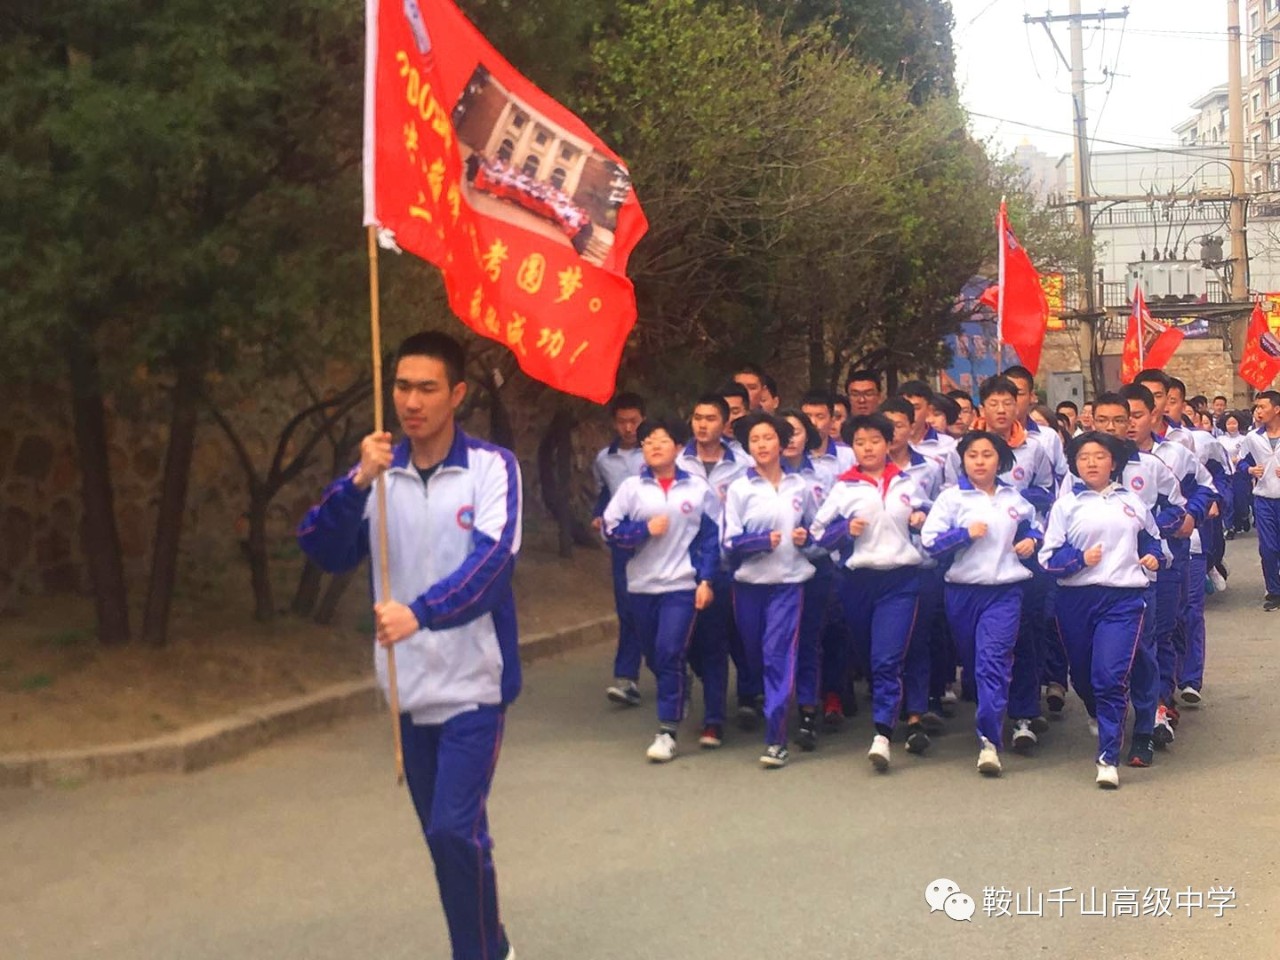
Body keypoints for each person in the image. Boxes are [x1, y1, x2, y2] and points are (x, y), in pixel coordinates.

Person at [297, 331, 521, 960]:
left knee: (454, 830)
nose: (412, 402)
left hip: (474, 685)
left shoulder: (492, 468)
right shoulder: (379, 472)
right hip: (407, 688)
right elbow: (321, 547)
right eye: (402, 387)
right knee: (446, 840)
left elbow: (493, 567)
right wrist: (356, 483)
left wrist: (420, 614)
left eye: (427, 388)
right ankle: (490, 944)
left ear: (457, 394)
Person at [1040, 431, 1166, 790]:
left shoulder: (1132, 501)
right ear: (1075, 465)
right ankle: (1098, 712)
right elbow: (1048, 558)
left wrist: (1152, 557)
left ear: (1113, 462)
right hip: (1076, 599)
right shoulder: (1066, 505)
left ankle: (1108, 757)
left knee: (1110, 677)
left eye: (1099, 456)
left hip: (1123, 599)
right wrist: (1080, 559)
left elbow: (1152, 540)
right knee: (1083, 676)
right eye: (1083, 457)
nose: (1091, 463)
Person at [810, 413, 928, 772]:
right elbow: (818, 533)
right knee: (869, 654)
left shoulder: (906, 482)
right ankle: (897, 706)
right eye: (860, 443)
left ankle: (882, 734)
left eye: (875, 441)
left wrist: (920, 517)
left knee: (886, 658)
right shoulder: (844, 487)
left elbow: (927, 513)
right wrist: (845, 530)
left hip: (901, 580)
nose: (868, 448)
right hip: (857, 582)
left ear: (888, 443)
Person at [920, 431, 1040, 776]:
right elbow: (930, 543)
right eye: (972, 455)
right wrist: (964, 534)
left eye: (987, 455)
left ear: (1000, 460)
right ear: (963, 460)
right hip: (962, 592)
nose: (980, 461)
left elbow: (1034, 527)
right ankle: (995, 713)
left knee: (993, 661)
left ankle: (989, 741)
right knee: (976, 664)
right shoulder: (951, 499)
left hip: (1005, 591)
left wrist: (1031, 541)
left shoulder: (1013, 497)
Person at [602, 417, 720, 763]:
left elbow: (710, 538)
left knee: (669, 651)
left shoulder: (697, 489)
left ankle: (667, 730)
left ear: (678, 447)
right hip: (641, 585)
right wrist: (643, 530)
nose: (654, 446)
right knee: (654, 655)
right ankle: (680, 684)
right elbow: (610, 530)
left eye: (662, 440)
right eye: (648, 441)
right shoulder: (631, 488)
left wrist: (706, 580)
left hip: (681, 584)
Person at [1091, 392, 1187, 767]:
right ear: (1092, 422)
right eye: (1103, 420)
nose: (1113, 427)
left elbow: (1177, 507)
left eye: (1120, 419)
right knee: (1090, 665)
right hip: (1087, 584)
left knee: (1143, 652)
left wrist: (1149, 532)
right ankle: (1103, 713)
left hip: (1138, 580)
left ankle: (1144, 728)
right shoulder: (1078, 468)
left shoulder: (1149, 466)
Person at [1121, 382, 1217, 741]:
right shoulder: (1101, 459)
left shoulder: (1174, 454)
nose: (1129, 423)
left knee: (1160, 633)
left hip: (1167, 559)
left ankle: (1159, 706)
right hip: (1115, 567)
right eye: (1123, 417)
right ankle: (1118, 702)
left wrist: (1192, 515)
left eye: (1136, 415)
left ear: (1154, 413)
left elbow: (1207, 486)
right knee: (1125, 639)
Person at [723, 412, 818, 767]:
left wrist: (805, 538)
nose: (762, 445)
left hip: (788, 584)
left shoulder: (800, 486)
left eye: (768, 438)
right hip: (749, 586)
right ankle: (771, 701)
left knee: (778, 655)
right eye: (755, 440)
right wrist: (760, 541)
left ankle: (776, 738)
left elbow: (816, 532)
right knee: (756, 655)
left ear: (781, 442)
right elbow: (728, 542)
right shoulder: (739, 488)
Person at [678, 395, 750, 747]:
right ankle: (702, 682)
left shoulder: (743, 464)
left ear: (725, 424)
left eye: (710, 418)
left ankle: (714, 720)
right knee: (682, 643)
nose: (702, 424)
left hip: (725, 565)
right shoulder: (678, 461)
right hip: (680, 566)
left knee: (715, 643)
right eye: (697, 417)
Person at [779, 408, 834, 751]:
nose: (788, 439)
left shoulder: (822, 477)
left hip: (815, 568)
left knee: (809, 640)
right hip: (773, 572)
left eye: (795, 432)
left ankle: (808, 711)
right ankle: (775, 706)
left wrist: (810, 541)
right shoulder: (758, 476)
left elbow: (830, 525)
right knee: (777, 643)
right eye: (781, 433)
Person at [593, 393, 647, 707]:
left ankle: (674, 671)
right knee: (627, 609)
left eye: (634, 421)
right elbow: (604, 494)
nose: (628, 428)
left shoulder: (655, 452)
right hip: (623, 542)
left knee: (655, 612)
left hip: (656, 539)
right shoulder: (604, 459)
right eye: (622, 422)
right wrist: (598, 515)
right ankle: (627, 678)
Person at [1236, 391, 1280, 611]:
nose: (1258, 411)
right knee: (1268, 548)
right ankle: (1274, 591)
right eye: (1257, 408)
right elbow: (1240, 462)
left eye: (1263, 407)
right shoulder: (1253, 437)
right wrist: (1250, 469)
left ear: (1277, 409)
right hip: (1264, 500)